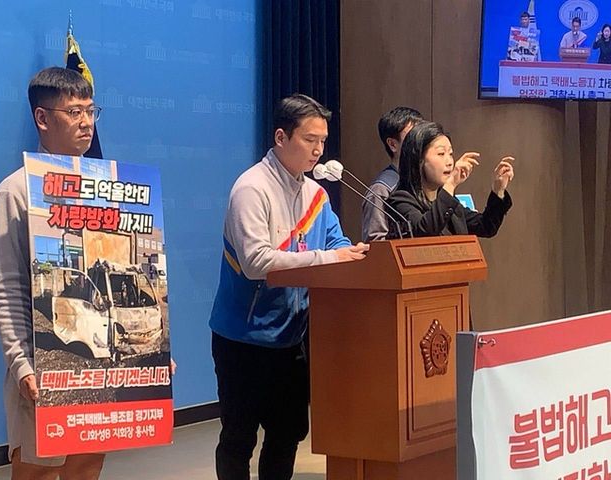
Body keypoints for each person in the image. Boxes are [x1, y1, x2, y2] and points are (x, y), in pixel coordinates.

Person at [208, 93, 368, 480]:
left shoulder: (316, 194)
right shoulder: (252, 188)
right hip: (243, 339)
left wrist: (354, 256)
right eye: (309, 140)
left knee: (287, 434)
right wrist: (328, 259)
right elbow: (256, 263)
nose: (318, 150)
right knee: (239, 437)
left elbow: (337, 245)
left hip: (291, 337)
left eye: (323, 141)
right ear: (281, 137)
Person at [0, 67, 105, 480]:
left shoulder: (104, 189)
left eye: (91, 111)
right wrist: (21, 364)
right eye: (74, 112)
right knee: (37, 470)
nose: (86, 122)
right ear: (42, 118)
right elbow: (7, 286)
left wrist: (154, 354)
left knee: (87, 465)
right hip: (44, 362)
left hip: (97, 363)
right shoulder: (15, 192)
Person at [385, 121, 514, 239]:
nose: (449, 162)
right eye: (441, 154)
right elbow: (423, 232)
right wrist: (451, 184)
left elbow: (486, 227)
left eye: (450, 154)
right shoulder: (400, 200)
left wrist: (498, 190)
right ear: (418, 159)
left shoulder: (449, 203)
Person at [361, 106, 423, 242]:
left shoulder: (428, 181)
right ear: (393, 144)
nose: (419, 142)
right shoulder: (381, 189)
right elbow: (376, 243)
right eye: (412, 136)